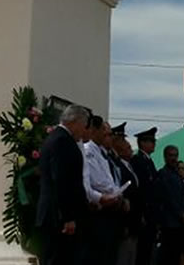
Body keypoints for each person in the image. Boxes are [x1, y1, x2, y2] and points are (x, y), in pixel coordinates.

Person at [36, 104, 90, 265]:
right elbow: (62, 180)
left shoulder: (58, 138)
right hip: (58, 218)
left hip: (56, 215)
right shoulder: (62, 141)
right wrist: (68, 217)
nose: (84, 130)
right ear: (75, 122)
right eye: (84, 125)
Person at [81, 116, 124, 265]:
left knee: (109, 255)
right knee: (99, 255)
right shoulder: (88, 151)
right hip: (99, 209)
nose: (108, 137)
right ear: (96, 131)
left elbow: (109, 179)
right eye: (106, 133)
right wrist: (110, 194)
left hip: (111, 207)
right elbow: (98, 180)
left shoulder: (102, 152)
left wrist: (117, 193)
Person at [155, 145, 184, 265]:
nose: (174, 158)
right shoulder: (163, 174)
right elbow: (169, 197)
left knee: (182, 254)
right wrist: (180, 213)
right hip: (170, 223)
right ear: (165, 157)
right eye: (171, 155)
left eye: (176, 155)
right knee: (170, 256)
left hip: (181, 224)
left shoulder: (177, 175)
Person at [113, 123, 141, 265]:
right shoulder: (117, 165)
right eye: (123, 140)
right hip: (125, 220)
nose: (129, 146)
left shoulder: (129, 165)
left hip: (134, 221)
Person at [131, 127, 160, 265]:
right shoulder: (138, 161)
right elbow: (141, 189)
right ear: (142, 143)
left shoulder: (148, 161)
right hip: (145, 211)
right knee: (142, 252)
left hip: (151, 212)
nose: (154, 143)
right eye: (151, 141)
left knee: (148, 251)